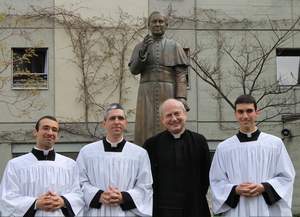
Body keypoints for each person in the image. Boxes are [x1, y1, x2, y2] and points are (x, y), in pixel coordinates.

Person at [209, 95, 296, 217]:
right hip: (238, 210)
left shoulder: (274, 144)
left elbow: (286, 177)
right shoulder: (224, 148)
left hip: (267, 210)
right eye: (240, 111)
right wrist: (235, 190)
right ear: (235, 114)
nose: (245, 116)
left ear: (257, 112)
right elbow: (216, 182)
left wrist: (264, 187)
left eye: (249, 111)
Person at [76, 103, 153, 216]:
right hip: (97, 212)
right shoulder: (87, 152)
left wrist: (123, 197)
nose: (117, 122)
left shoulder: (139, 154)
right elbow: (78, 182)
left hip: (126, 213)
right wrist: (99, 195)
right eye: (112, 118)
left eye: (120, 118)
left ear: (125, 123)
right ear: (104, 123)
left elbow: (145, 186)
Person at [0, 115, 84, 217]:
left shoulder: (70, 165)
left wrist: (63, 201)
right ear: (35, 132)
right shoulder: (16, 165)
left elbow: (79, 195)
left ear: (57, 136)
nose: (50, 133)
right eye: (45, 128)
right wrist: (35, 203)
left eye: (54, 130)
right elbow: (7, 198)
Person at [128, 11, 189, 145]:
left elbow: (181, 74)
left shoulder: (174, 46)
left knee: (168, 123)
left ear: (166, 25)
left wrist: (181, 98)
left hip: (168, 90)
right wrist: (142, 52)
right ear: (149, 25)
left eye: (160, 21)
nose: (157, 24)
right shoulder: (140, 46)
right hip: (146, 92)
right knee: (145, 125)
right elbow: (134, 70)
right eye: (154, 22)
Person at [144, 98, 211, 217]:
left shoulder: (199, 141)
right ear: (162, 119)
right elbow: (147, 180)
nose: (174, 119)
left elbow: (206, 175)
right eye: (168, 115)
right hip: (162, 209)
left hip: (195, 207)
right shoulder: (151, 145)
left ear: (185, 114)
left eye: (177, 113)